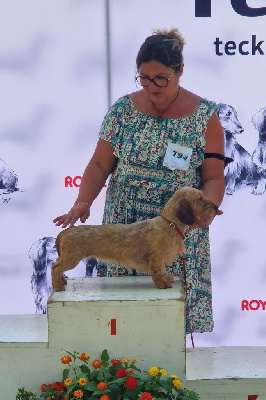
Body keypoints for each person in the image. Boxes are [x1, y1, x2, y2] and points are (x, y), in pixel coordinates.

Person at [53, 28, 225, 334]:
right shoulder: (122, 110)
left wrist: (205, 210)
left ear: (180, 70)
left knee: (168, 324)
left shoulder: (206, 116)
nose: (151, 86)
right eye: (144, 78)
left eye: (161, 78)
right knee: (123, 323)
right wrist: (82, 201)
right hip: (125, 227)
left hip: (179, 227)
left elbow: (212, 176)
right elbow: (98, 163)